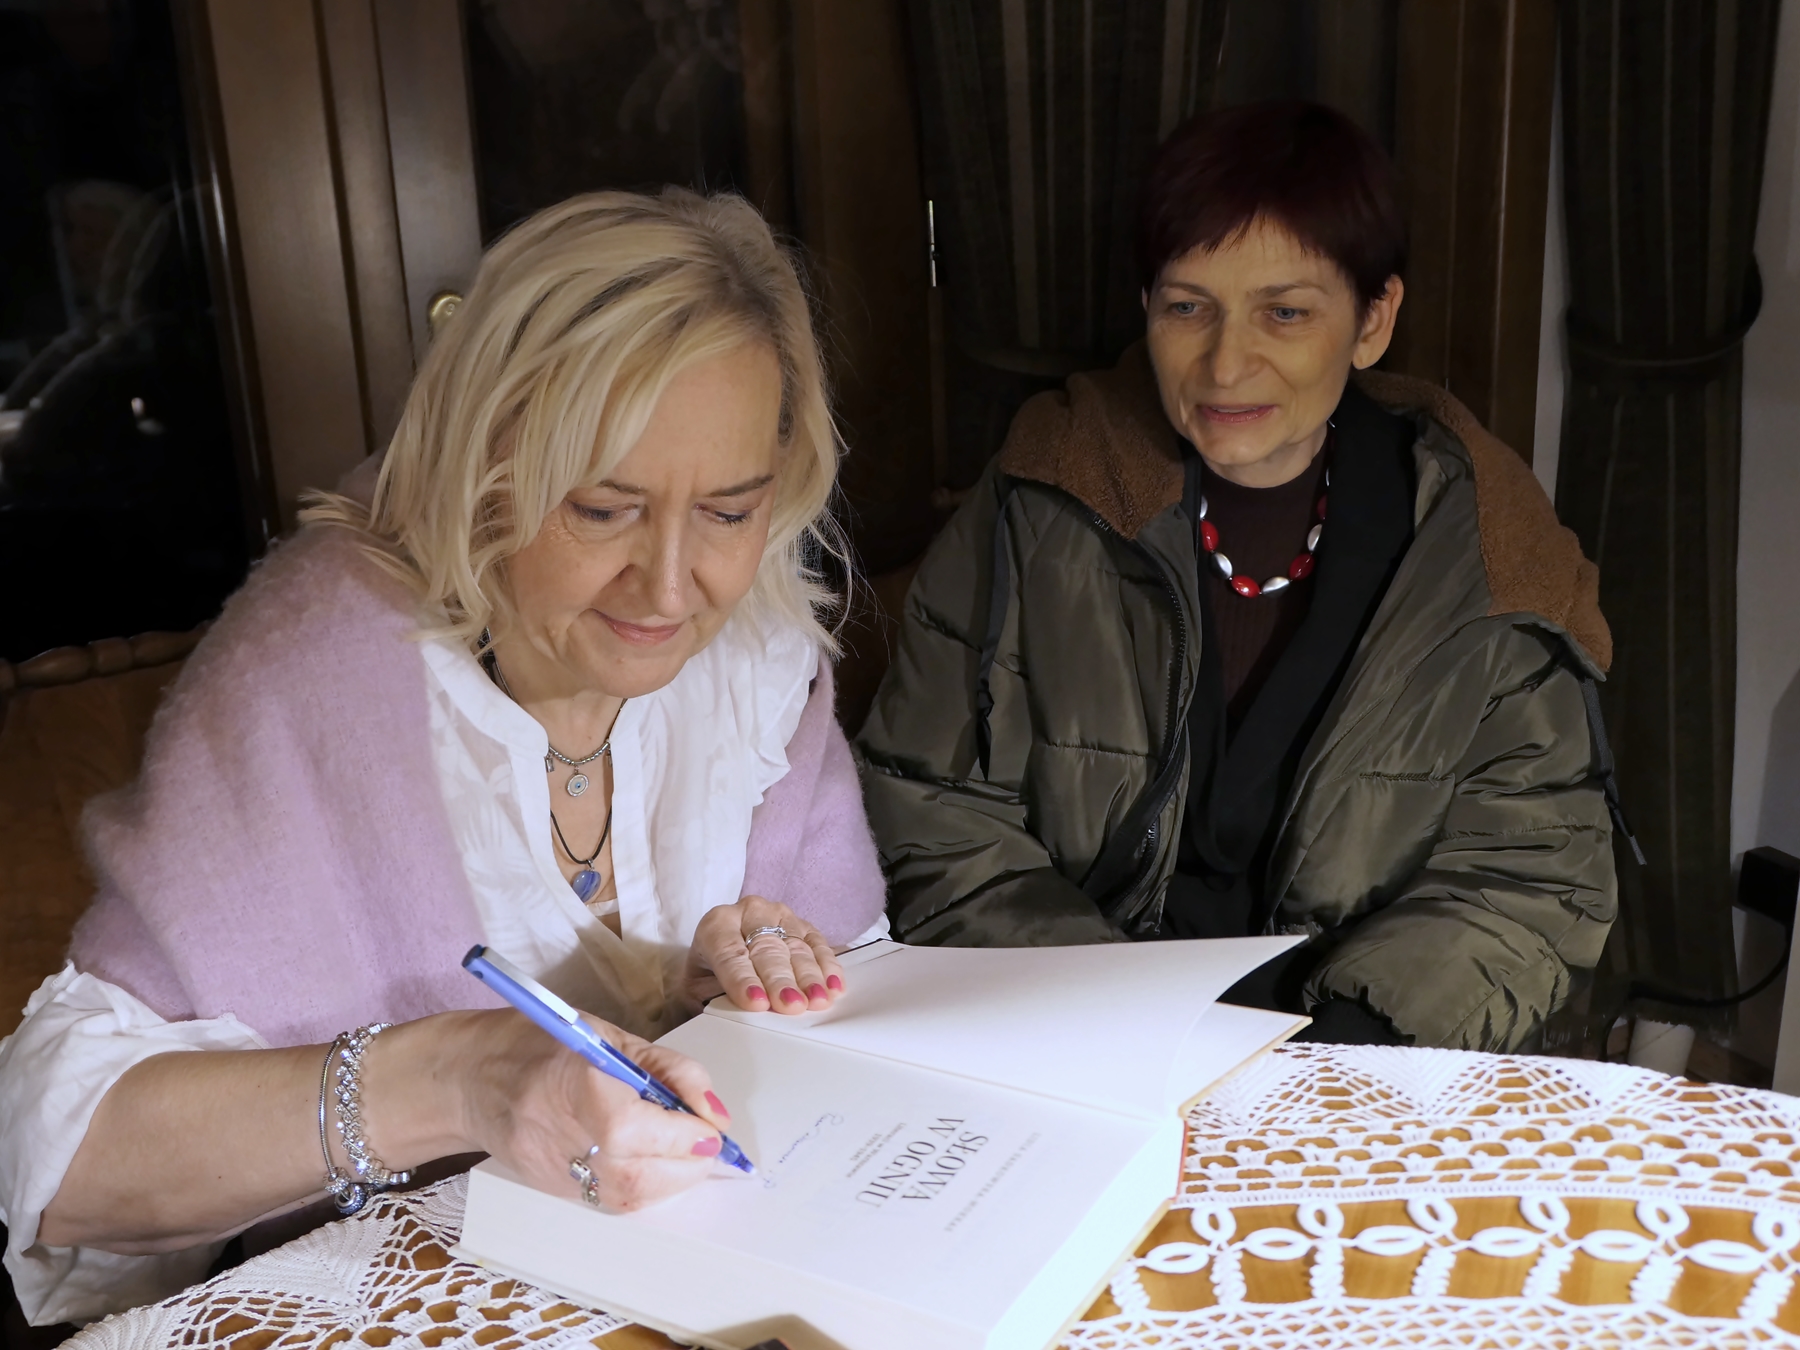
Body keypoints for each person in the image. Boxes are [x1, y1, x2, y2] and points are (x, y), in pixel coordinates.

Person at [0, 189, 888, 1325]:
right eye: (602, 508)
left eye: (728, 510)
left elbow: (868, 1025)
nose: (672, 589)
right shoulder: (319, 665)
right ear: (484, 467)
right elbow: (59, 1158)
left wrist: (735, 1000)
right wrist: (463, 1078)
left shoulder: (756, 649)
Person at [856, 101, 1619, 1053]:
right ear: (1147, 306)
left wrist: (1350, 1049)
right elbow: (931, 805)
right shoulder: (1042, 500)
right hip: (1082, 1037)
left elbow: (1529, 871)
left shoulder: (1483, 552)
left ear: (1373, 319)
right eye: (1188, 307)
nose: (1225, 364)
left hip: (1354, 1058)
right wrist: (1117, 1023)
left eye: (1285, 313)